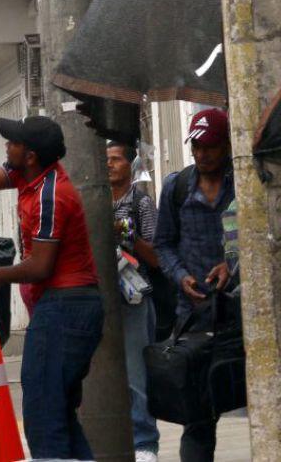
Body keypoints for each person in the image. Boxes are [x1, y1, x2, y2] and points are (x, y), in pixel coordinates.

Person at [0, 115, 102, 460]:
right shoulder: (30, 175)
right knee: (59, 413)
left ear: (31, 155)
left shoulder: (52, 194)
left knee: (43, 413)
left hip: (66, 308)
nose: (6, 146)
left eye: (13, 143)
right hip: (63, 308)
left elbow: (40, 266)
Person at [153, 107, 235, 462]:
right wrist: (180, 275)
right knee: (198, 418)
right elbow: (163, 244)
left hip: (244, 314)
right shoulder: (177, 187)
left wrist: (233, 265)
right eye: (196, 145)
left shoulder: (243, 180)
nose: (202, 153)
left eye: (210, 146)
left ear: (228, 145)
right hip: (195, 318)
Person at [108, 140, 160, 462]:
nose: (110, 164)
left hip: (134, 299)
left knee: (137, 376)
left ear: (131, 165)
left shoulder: (141, 203)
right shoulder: (94, 199)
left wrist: (129, 238)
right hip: (101, 298)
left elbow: (156, 256)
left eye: (116, 159)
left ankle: (144, 443)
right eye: (106, 159)